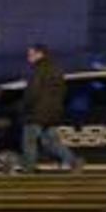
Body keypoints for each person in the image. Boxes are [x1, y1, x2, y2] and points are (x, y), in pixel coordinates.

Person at [22, 43, 81, 173]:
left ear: (40, 54)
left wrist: (25, 106)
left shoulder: (37, 70)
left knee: (29, 141)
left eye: (31, 54)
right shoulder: (57, 69)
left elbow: (32, 92)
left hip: (36, 112)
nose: (28, 57)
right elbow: (63, 92)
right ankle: (73, 161)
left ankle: (28, 168)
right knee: (52, 142)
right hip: (53, 113)